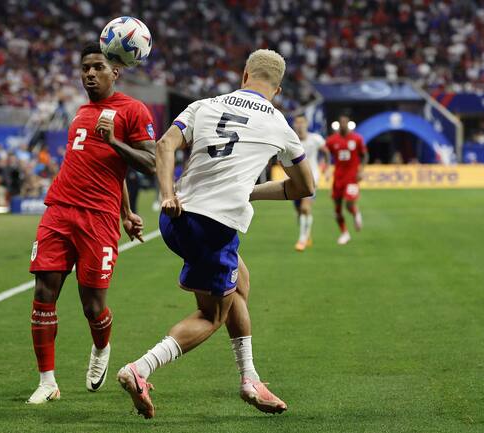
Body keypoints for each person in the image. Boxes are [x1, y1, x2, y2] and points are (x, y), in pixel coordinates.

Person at [116, 49, 315, 418]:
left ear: (244, 76)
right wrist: (251, 191)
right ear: (279, 89)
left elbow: (164, 145)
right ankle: (140, 369)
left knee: (239, 281)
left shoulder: (203, 105)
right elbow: (304, 187)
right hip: (213, 226)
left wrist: (167, 194)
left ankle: (250, 377)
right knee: (212, 316)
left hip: (175, 218)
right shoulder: (279, 124)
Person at [26, 42, 157, 404]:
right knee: (43, 293)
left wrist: (114, 141)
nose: (89, 74)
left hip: (97, 219)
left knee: (92, 305)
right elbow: (100, 169)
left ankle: (101, 347)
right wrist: (128, 211)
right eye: (85, 68)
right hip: (59, 209)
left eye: (97, 67)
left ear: (116, 70)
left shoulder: (133, 110)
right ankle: (47, 381)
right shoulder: (80, 113)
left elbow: (150, 162)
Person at [325, 114, 367, 245]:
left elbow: (365, 155)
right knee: (337, 209)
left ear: (348, 124)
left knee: (349, 203)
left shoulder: (357, 139)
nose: (343, 125)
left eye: (345, 122)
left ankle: (356, 213)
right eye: (341, 122)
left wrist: (361, 171)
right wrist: (326, 168)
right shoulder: (332, 140)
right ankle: (345, 233)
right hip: (338, 178)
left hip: (352, 178)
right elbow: (326, 153)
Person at [292, 114, 328, 251]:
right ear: (294, 125)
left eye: (302, 122)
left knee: (305, 208)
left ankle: (302, 240)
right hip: (294, 179)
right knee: (299, 211)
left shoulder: (316, 139)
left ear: (306, 124)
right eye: (297, 122)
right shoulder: (291, 140)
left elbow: (326, 152)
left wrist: (327, 168)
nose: (300, 125)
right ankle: (307, 235)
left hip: (312, 178)